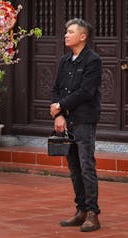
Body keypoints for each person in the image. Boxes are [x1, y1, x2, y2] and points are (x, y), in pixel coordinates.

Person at [50, 18, 102, 232]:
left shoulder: (93, 60)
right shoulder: (64, 61)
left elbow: (86, 92)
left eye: (71, 32)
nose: (66, 35)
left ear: (83, 36)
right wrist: (58, 115)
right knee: (74, 168)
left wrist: (61, 105)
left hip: (84, 120)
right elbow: (56, 89)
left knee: (86, 166)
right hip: (67, 120)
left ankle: (93, 213)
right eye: (66, 32)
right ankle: (80, 210)